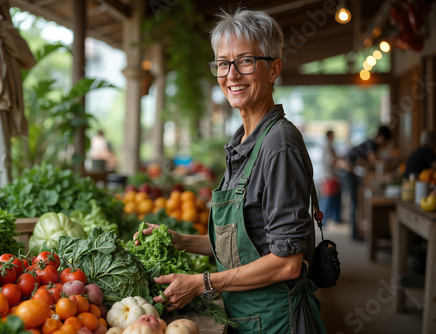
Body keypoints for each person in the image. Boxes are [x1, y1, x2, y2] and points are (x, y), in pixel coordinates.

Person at [134, 9, 325, 334]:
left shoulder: (278, 145)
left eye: (246, 61)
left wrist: (203, 282)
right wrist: (178, 240)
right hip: (248, 318)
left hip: (278, 322)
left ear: (274, 68)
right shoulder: (243, 142)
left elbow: (287, 262)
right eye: (223, 63)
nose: (231, 75)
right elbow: (246, 241)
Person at [336, 125, 392, 241]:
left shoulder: (370, 143)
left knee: (355, 201)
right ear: (381, 137)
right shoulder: (372, 144)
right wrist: (388, 159)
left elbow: (364, 162)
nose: (384, 144)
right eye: (385, 141)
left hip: (350, 171)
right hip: (347, 171)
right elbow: (373, 161)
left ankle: (355, 230)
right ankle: (353, 233)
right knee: (354, 201)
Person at [320, 130, 342, 223]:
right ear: (329, 136)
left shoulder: (329, 146)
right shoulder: (328, 146)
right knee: (328, 199)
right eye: (333, 135)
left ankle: (335, 218)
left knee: (334, 198)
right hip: (329, 176)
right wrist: (340, 161)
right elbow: (331, 160)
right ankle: (322, 220)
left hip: (331, 176)